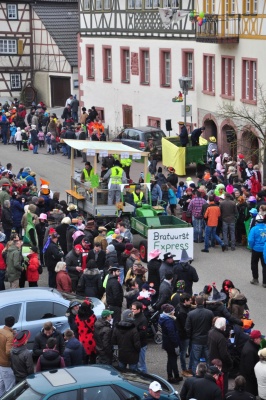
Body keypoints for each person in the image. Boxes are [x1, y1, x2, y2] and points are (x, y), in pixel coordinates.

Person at [185, 295, 214, 375]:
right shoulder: (209, 313)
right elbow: (212, 326)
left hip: (196, 340)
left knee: (195, 360)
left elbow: (187, 328)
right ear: (204, 302)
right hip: (207, 340)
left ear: (195, 302)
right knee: (208, 360)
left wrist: (191, 337)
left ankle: (196, 376)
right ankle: (209, 375)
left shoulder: (191, 314)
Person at [208, 318, 233, 394]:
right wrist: (230, 362)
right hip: (220, 365)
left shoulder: (211, 332)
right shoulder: (221, 338)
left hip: (212, 361)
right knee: (223, 385)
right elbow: (224, 354)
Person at [159, 304, 183, 384]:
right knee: (173, 360)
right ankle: (176, 376)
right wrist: (176, 345)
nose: (174, 312)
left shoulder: (164, 318)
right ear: (170, 312)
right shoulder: (169, 321)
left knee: (170, 359)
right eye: (173, 311)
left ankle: (170, 376)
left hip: (166, 342)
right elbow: (172, 334)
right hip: (171, 344)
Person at [239, 329, 263, 396]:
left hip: (248, 379)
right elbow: (250, 369)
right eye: (260, 338)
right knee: (251, 395)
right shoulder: (250, 351)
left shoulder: (250, 345)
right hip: (250, 382)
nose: (261, 340)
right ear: (255, 340)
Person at [175, 293, 193, 377]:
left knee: (184, 351)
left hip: (183, 334)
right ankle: (184, 369)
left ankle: (187, 368)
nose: (191, 302)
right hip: (184, 335)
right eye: (190, 300)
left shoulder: (179, 307)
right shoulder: (183, 312)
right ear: (185, 301)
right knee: (183, 352)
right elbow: (186, 326)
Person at [75, 300, 97, 364]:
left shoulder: (77, 317)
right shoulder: (92, 317)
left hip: (82, 339)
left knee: (85, 358)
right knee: (93, 358)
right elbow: (94, 328)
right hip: (91, 339)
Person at [248, 214, 266, 286]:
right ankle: (265, 282)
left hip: (256, 249)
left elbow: (251, 239)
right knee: (265, 265)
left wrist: (252, 247)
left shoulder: (254, 229)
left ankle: (255, 279)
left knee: (254, 264)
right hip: (264, 249)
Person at [0, 316, 16, 397]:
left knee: (1, 386)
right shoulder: (10, 335)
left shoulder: (1, 331)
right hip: (6, 365)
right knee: (10, 389)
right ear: (13, 323)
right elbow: (8, 352)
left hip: (0, 363)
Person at [131, 301, 148, 373]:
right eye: (132, 308)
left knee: (141, 364)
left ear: (139, 309)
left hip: (141, 344)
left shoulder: (143, 319)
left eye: (134, 309)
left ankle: (144, 378)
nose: (132, 310)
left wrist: (133, 336)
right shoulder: (134, 316)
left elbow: (143, 333)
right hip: (135, 344)